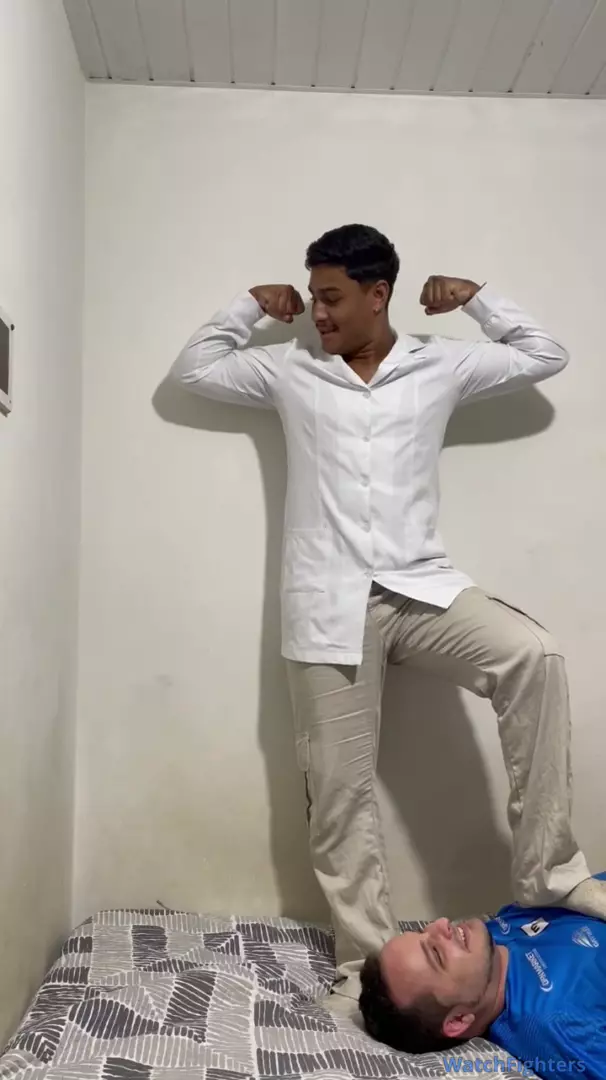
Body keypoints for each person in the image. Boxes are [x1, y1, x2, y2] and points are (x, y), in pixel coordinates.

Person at [170, 223, 606, 1007]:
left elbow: (546, 353)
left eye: (332, 298)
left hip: (421, 590)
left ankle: (549, 874)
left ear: (379, 295)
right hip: (327, 603)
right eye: (312, 297)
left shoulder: (440, 363)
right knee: (339, 791)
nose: (317, 314)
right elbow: (195, 369)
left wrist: (478, 300)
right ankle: (366, 966)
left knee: (534, 654)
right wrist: (248, 307)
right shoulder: (290, 371)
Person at [359, 872, 606, 1080]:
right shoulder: (556, 1025)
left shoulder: (491, 936)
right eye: (436, 953)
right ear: (458, 1020)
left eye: (424, 931)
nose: (442, 923)